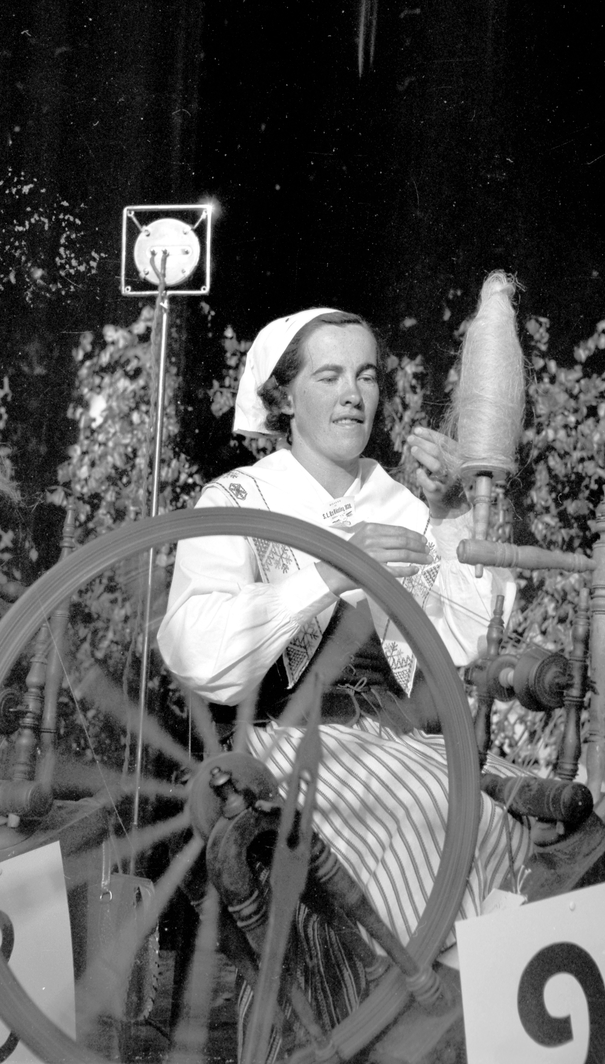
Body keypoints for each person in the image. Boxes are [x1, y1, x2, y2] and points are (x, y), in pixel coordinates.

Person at [158, 308, 531, 977]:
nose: (353, 394)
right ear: (283, 398)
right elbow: (197, 652)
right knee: (433, 808)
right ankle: (425, 993)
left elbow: (472, 639)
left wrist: (449, 516)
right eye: (328, 376)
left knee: (523, 801)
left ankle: (485, 995)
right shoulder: (238, 500)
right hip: (289, 746)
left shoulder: (399, 503)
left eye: (366, 375)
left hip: (395, 739)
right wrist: (329, 571)